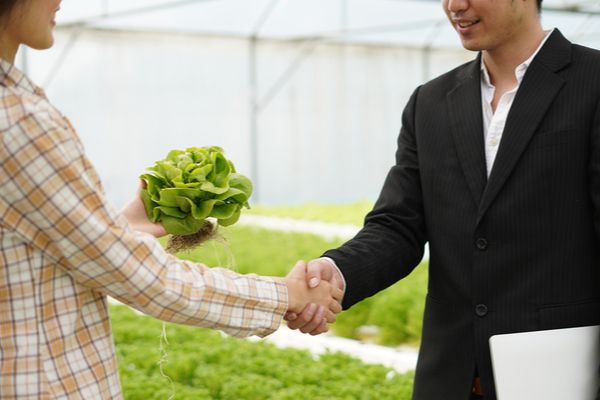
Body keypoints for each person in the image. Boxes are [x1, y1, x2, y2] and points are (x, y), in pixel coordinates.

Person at [0, 1, 342, 398]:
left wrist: (125, 227)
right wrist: (287, 295)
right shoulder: (19, 121)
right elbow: (143, 278)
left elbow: (26, 250)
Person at [287, 0, 600, 399]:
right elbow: (398, 226)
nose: (455, 5)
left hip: (563, 376)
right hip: (450, 377)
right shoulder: (430, 102)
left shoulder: (592, 82)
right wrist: (335, 272)